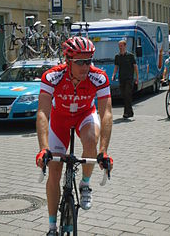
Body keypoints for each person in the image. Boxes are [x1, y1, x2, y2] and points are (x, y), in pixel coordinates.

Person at [36, 36, 113, 236]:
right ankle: (52, 226)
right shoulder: (52, 77)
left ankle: (85, 183)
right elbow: (43, 112)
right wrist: (44, 148)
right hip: (59, 119)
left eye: (88, 61)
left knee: (90, 141)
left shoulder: (99, 77)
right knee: (53, 172)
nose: (85, 66)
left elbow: (106, 113)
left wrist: (104, 151)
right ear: (68, 61)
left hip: (84, 115)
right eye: (80, 62)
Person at [111, 39, 139, 118]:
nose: (120, 47)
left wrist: (137, 78)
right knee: (124, 95)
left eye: (121, 46)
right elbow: (116, 67)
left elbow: (135, 67)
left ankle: (126, 113)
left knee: (127, 94)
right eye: (119, 46)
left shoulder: (130, 56)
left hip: (129, 78)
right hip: (121, 78)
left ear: (125, 46)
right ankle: (130, 112)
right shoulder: (117, 56)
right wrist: (113, 75)